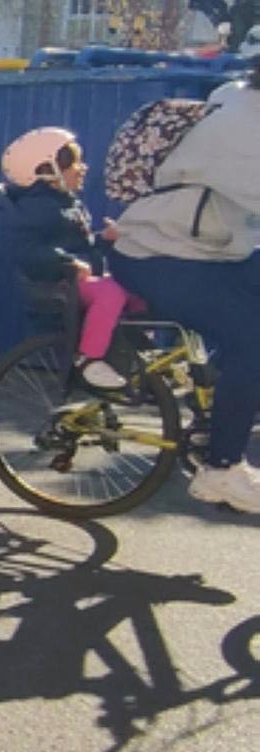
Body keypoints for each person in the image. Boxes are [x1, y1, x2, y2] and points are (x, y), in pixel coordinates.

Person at [107, 75, 260, 514]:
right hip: (157, 254)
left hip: (210, 249)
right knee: (250, 338)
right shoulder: (241, 129)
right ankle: (221, 468)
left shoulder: (241, 100)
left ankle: (220, 397)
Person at [0, 126, 134, 392]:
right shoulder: (39, 207)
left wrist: (104, 239)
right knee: (112, 292)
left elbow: (78, 244)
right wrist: (66, 263)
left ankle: (129, 357)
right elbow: (25, 249)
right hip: (57, 283)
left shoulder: (65, 203)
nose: (82, 168)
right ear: (46, 170)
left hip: (73, 281)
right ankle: (89, 359)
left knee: (136, 290)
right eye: (74, 162)